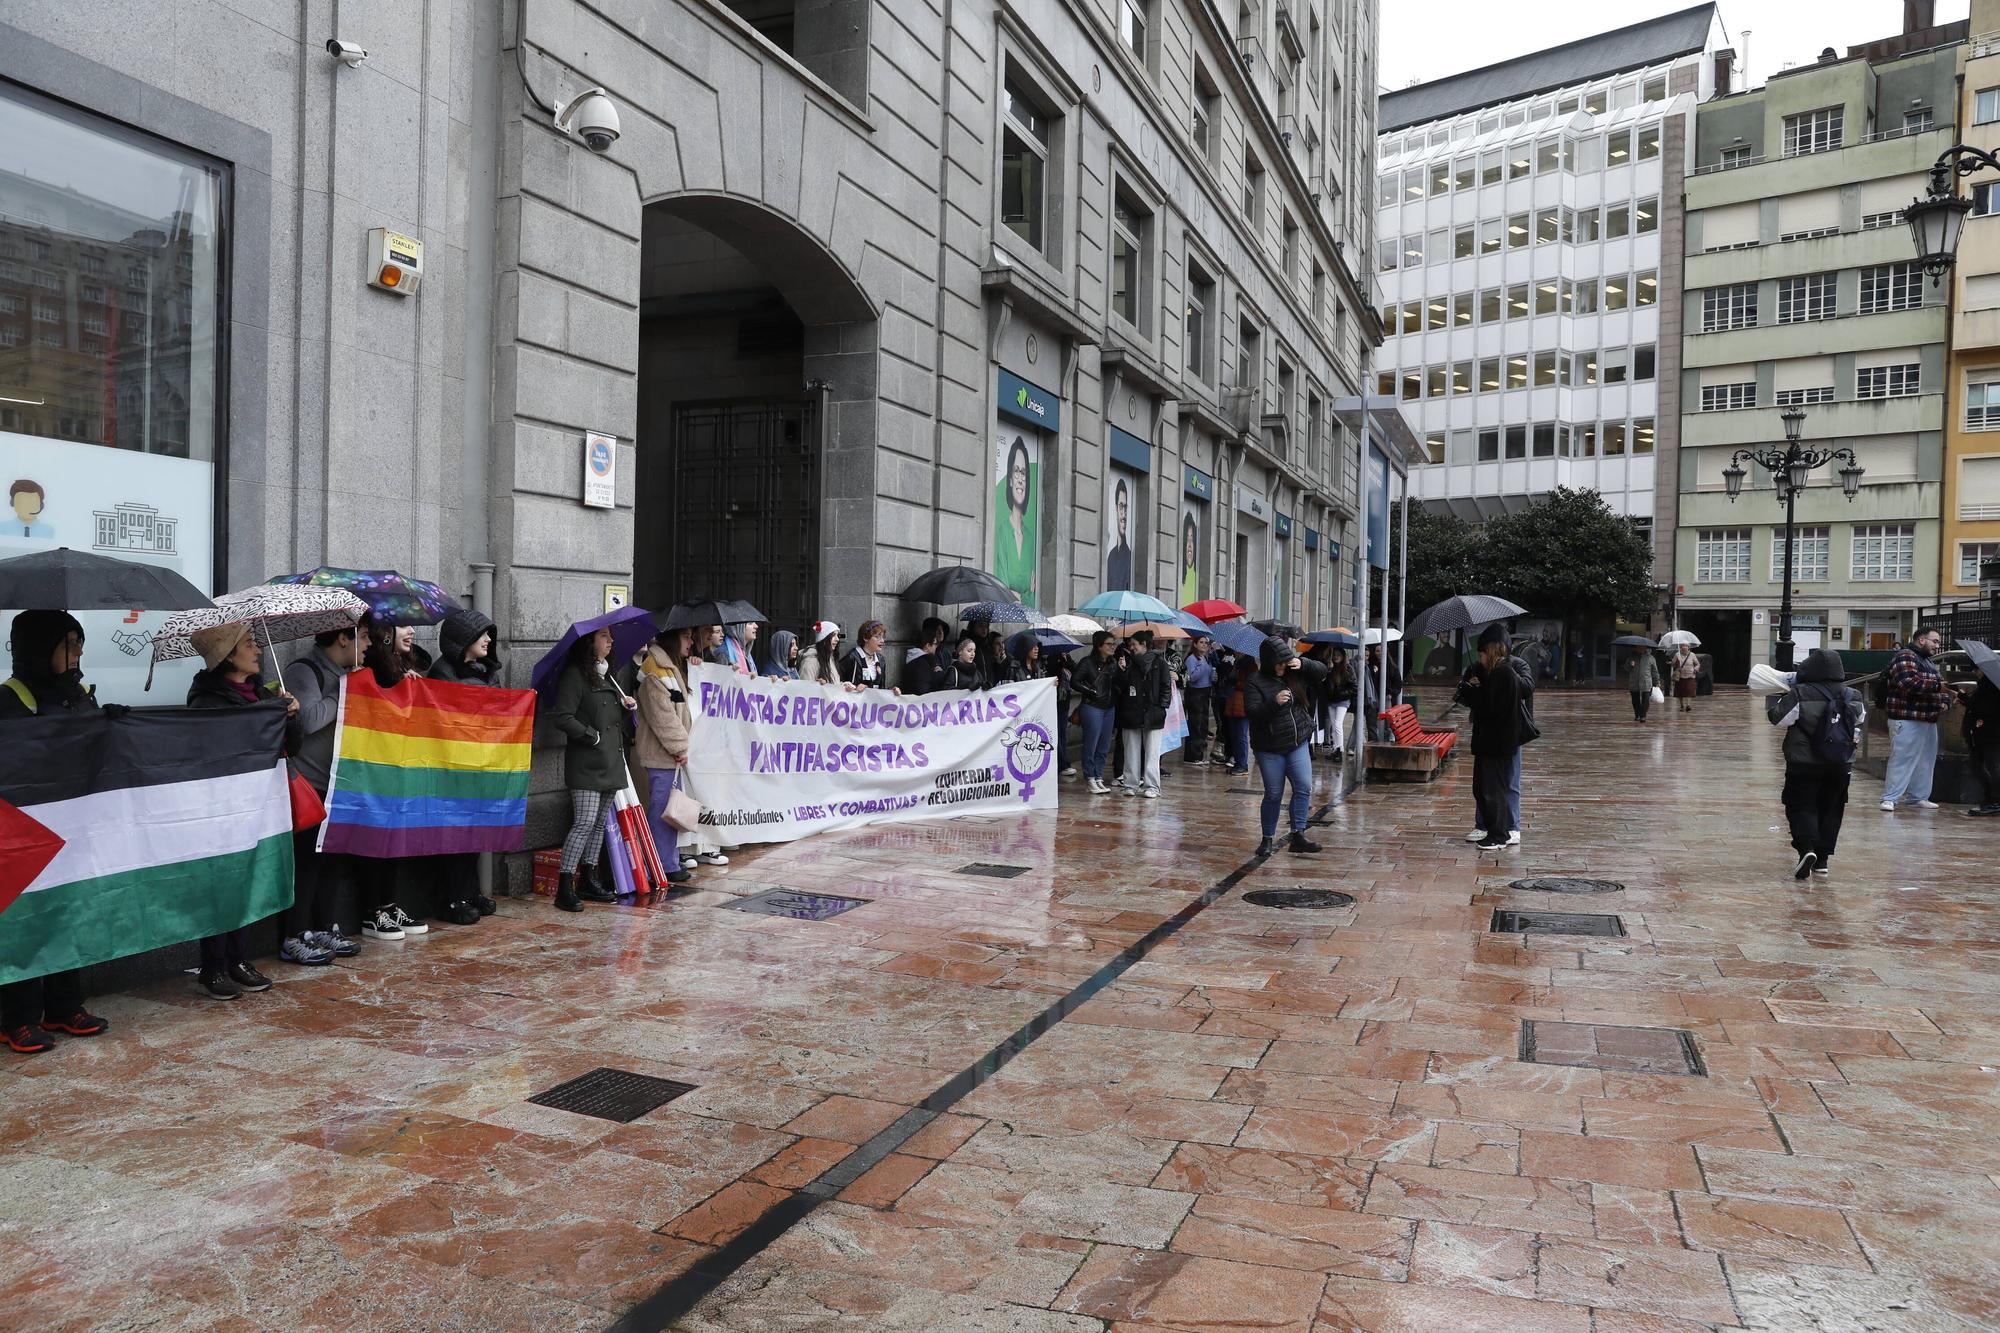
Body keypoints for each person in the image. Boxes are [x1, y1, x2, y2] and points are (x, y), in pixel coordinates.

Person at [1, 611, 110, 1055]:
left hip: (71, 826)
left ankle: (64, 1006)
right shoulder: (9, 698)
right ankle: (17, 1018)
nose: (78, 652)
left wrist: (106, 722)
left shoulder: (76, 693)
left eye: (79, 642)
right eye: (69, 643)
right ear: (39, 648)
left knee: (69, 911)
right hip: (24, 833)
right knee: (26, 920)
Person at [186, 622, 302, 1000]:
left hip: (259, 804)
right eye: (249, 644)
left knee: (250, 879)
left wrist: (289, 716)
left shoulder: (262, 694)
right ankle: (213, 966)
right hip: (221, 808)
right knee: (221, 884)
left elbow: (291, 747)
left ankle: (239, 958)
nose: (257, 650)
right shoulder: (207, 701)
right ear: (228, 655)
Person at [282, 623, 370, 961]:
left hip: (338, 782)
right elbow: (310, 718)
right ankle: (294, 935)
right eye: (363, 636)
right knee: (306, 863)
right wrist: (345, 690)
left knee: (331, 860)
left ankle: (324, 927)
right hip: (308, 784)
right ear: (342, 638)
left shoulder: (347, 673)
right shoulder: (305, 670)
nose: (368, 643)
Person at [545, 626, 635, 912]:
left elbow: (610, 717)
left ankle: (589, 877)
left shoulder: (608, 674)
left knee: (598, 824)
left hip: (610, 761)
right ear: (589, 642)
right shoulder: (575, 675)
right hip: (586, 762)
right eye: (604, 636)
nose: (610, 641)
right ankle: (565, 885)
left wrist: (625, 707)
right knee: (583, 822)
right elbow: (563, 717)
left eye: (610, 636)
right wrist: (590, 735)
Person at [355, 617, 432, 939]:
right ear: (384, 634)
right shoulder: (371, 669)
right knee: (377, 839)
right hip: (375, 767)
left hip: (401, 765)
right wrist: (397, 686)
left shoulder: (403, 667)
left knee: (395, 842)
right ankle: (374, 912)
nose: (411, 631)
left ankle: (389, 905)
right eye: (402, 626)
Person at [427, 608, 504, 923]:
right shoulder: (443, 671)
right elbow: (447, 718)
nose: (487, 640)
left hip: (482, 763)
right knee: (454, 834)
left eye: (489, 634)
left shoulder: (488, 671)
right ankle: (453, 899)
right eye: (481, 634)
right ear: (463, 639)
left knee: (474, 833)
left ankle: (470, 891)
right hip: (453, 766)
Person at [1769, 647, 1866, 878]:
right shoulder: (1853, 695)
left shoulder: (1800, 692)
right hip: (1841, 763)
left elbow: (1777, 718)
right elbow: (1860, 719)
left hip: (1804, 762)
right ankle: (1822, 860)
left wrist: (1785, 695)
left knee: (1801, 805)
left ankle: (1806, 849)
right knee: (1832, 807)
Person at [1243, 638, 1327, 856]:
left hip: (1297, 742)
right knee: (1273, 793)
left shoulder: (1294, 674)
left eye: (1285, 662)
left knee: (1303, 786)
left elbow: (1322, 671)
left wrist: (1304, 664)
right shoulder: (1255, 681)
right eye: (1278, 663)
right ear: (1269, 662)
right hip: (1269, 746)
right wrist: (1273, 702)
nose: (1282, 667)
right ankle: (1267, 839)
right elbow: (1252, 713)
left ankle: (1298, 834)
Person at [633, 629, 697, 888]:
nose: (691, 642)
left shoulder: (667, 667)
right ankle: (662, 863)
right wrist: (680, 746)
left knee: (668, 810)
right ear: (673, 639)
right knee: (662, 810)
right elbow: (663, 717)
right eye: (687, 637)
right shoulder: (655, 669)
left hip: (668, 754)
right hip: (662, 754)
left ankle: (667, 860)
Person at [1881, 624, 1956, 812]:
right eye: (1935, 641)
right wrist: (1939, 688)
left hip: (1927, 719)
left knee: (1925, 761)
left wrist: (1945, 700)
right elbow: (1909, 682)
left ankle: (1918, 797)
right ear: (1922, 639)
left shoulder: (1928, 662)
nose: (1937, 645)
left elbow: (1942, 686)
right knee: (1902, 759)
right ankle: (1890, 798)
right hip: (1906, 718)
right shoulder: (1905, 655)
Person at [1466, 624, 1526, 853]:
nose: (1480, 658)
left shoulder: (1503, 673)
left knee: (1493, 789)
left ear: (1491, 651)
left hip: (1497, 743)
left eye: (1482, 653)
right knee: (1482, 788)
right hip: (1488, 742)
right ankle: (1493, 831)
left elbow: (1492, 708)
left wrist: (1475, 692)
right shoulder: (1494, 673)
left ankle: (1498, 834)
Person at [1114, 629, 1171, 798]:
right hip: (1131, 712)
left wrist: (1161, 707)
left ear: (1143, 644)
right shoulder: (1129, 663)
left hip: (1153, 713)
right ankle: (1130, 784)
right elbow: (1120, 687)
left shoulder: (1159, 663)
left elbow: (1166, 686)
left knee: (1152, 752)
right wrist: (1121, 671)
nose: (1131, 647)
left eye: (1134, 644)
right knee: (1131, 750)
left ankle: (1152, 785)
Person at [1073, 631, 1120, 794]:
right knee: (1091, 743)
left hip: (1109, 707)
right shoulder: (1087, 662)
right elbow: (1075, 681)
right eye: (1109, 644)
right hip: (1092, 706)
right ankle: (1090, 777)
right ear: (1099, 645)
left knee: (1104, 745)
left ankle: (1098, 775)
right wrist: (1091, 691)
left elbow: (1118, 685)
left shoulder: (1114, 663)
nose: (1112, 647)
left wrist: (1122, 670)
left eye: (1114, 644)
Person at [994, 436, 1037, 599]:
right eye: (1016, 471)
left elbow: (1032, 597)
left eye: (1024, 472)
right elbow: (1003, 592)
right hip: (1005, 618)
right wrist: (1024, 593)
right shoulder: (1002, 531)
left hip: (1027, 618)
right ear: (1010, 479)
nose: (1020, 479)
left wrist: (1023, 594)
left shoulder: (1031, 537)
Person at [1963, 671, 2000, 817]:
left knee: (1991, 766)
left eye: (1975, 669)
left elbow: (1984, 709)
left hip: (1990, 734)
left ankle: (1995, 800)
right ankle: (1990, 798)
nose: (1974, 672)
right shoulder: (1986, 685)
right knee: (1977, 765)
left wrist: (1963, 697)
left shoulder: (1991, 686)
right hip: (1981, 734)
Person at [1182, 636, 1215, 766]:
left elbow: (1207, 675)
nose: (1204, 645)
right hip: (1195, 693)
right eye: (1201, 642)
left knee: (1203, 724)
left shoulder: (1206, 658)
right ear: (1195, 644)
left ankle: (1199, 754)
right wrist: (1201, 665)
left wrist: (1213, 675)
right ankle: (1192, 756)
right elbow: (1192, 677)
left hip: (1205, 691)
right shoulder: (1192, 659)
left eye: (1206, 643)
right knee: (1195, 724)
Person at [1220, 654, 1253, 774]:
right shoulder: (1237, 663)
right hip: (1232, 702)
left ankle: (1242, 764)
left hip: (1242, 703)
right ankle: (1238, 762)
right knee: (1234, 734)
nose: (1236, 652)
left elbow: (1250, 684)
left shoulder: (1250, 665)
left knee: (1241, 735)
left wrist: (1236, 683)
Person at [1324, 645, 1355, 762]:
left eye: (1338, 655)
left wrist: (1342, 693)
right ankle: (1335, 749)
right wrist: (1329, 670)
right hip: (1332, 701)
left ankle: (1340, 751)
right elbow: (1326, 684)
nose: (1336, 657)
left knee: (1337, 724)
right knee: (1333, 725)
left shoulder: (1348, 669)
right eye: (1334, 655)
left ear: (1343, 656)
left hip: (1343, 700)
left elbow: (1354, 687)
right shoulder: (1330, 669)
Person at [840, 620, 890, 689]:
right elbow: (837, 683)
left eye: (883, 637)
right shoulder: (852, 657)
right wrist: (855, 687)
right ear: (865, 638)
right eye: (877, 637)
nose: (882, 641)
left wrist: (892, 692)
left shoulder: (881, 659)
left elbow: (882, 688)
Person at [905, 618, 950, 694]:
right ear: (927, 646)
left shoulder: (924, 660)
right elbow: (922, 689)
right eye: (935, 644)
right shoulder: (921, 663)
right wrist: (941, 675)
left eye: (942, 630)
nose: (941, 633)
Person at [1106, 479, 1133, 591]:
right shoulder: (1111, 556)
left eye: (1125, 507)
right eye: (1121, 506)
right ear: (1115, 509)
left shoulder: (1129, 556)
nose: (1124, 514)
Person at [1626, 648, 1661, 723]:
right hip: (1634, 682)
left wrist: (1656, 681)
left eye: (1642, 647)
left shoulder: (1651, 658)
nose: (1640, 648)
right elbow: (1626, 668)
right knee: (1635, 700)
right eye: (1638, 647)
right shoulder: (1632, 657)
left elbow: (1654, 671)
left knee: (1646, 700)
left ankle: (1643, 715)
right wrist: (1630, 665)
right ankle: (1637, 714)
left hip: (1646, 682)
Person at [1671, 643, 1700, 713]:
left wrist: (1695, 669)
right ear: (1680, 647)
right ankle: (1681, 705)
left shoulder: (1692, 655)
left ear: (1688, 647)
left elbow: (1697, 664)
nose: (1684, 647)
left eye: (1686, 646)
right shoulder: (1677, 654)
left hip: (1690, 675)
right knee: (1680, 692)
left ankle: (1688, 705)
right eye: (1682, 646)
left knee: (1689, 690)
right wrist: (1675, 663)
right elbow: (1672, 664)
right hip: (1680, 676)